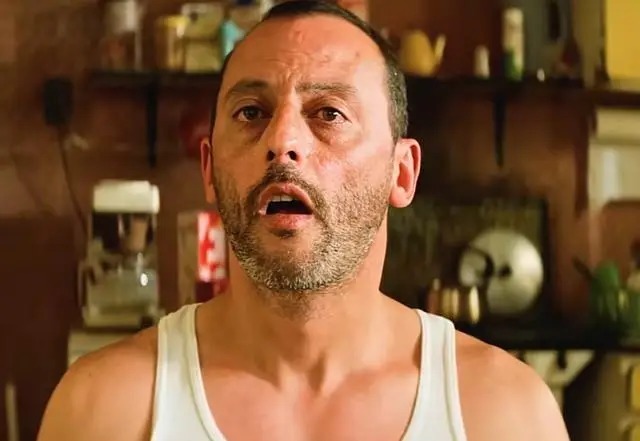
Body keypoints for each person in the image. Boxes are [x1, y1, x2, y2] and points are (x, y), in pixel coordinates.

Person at [37, 1, 570, 440]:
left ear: (402, 173)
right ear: (209, 170)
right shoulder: (103, 412)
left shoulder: (505, 416)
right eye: (251, 112)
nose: (282, 140)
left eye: (329, 113)